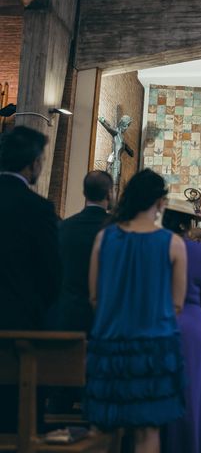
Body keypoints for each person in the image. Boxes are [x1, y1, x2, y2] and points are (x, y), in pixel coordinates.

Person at [85, 169, 187, 453]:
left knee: (105, 429)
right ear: (161, 202)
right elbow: (176, 304)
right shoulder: (173, 243)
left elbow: (94, 296)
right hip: (154, 347)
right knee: (147, 432)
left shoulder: (104, 238)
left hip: (111, 344)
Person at [0, 126, 61, 433]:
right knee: (17, 421)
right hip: (19, 331)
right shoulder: (37, 209)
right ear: (32, 162)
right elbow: (51, 277)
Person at [161, 203, 201, 453]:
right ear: (185, 224)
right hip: (194, 324)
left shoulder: (157, 244)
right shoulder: (199, 252)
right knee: (195, 394)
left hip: (161, 321)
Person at [56, 171, 113, 333]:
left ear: (84, 193)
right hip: (105, 315)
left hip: (69, 314)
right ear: (109, 193)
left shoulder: (64, 227)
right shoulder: (116, 229)